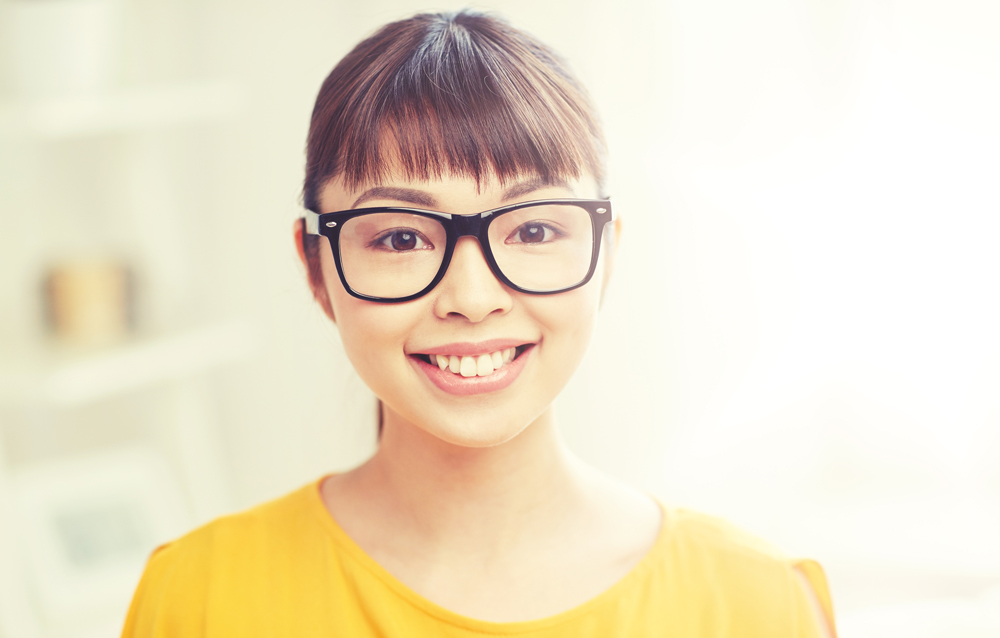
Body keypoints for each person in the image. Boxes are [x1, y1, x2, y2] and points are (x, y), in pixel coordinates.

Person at [122, 10, 836, 637]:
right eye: (401, 238)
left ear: (607, 254)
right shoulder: (197, 599)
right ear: (317, 268)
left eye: (531, 231)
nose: (472, 295)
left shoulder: (759, 606)